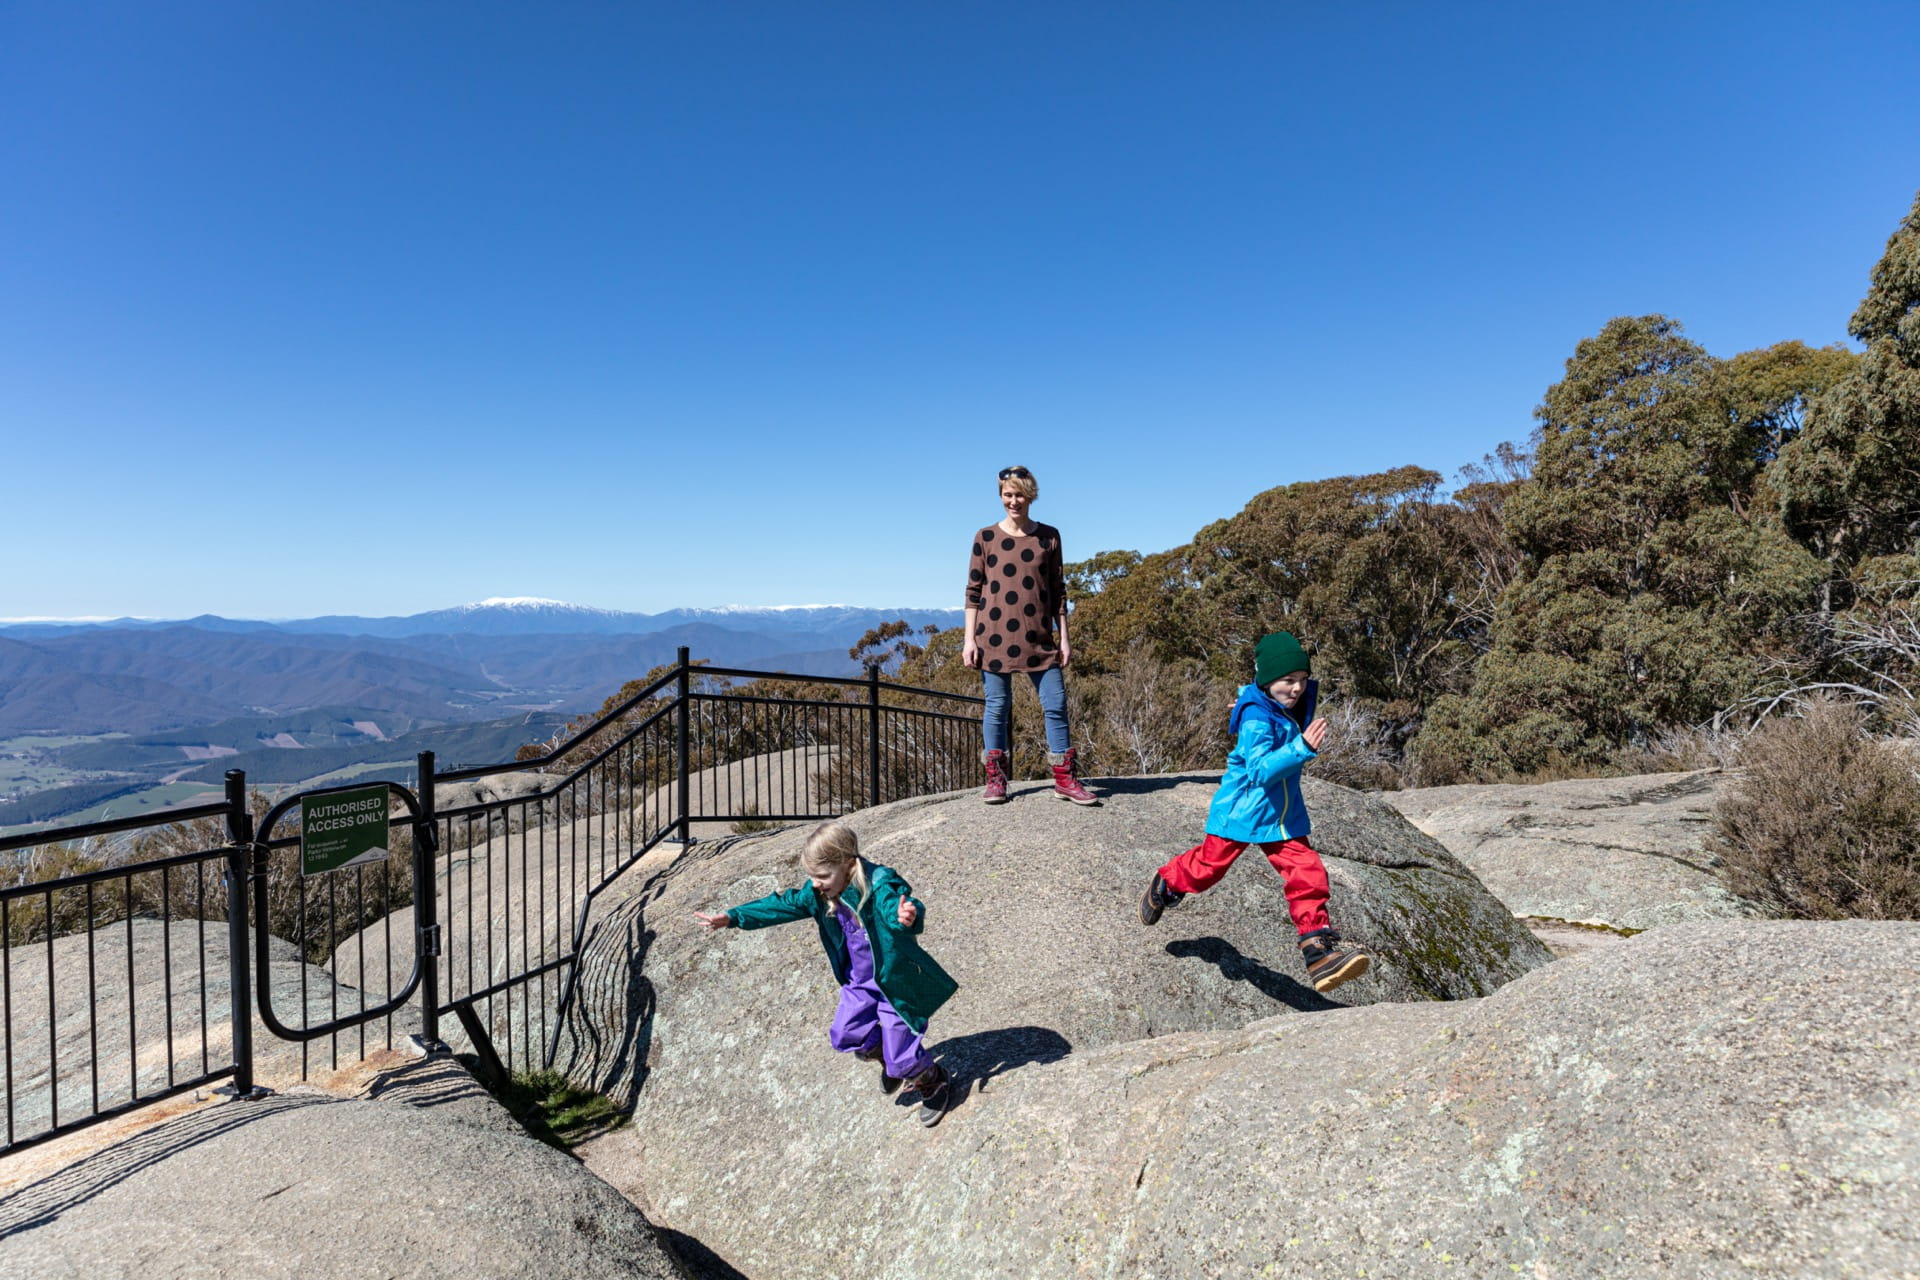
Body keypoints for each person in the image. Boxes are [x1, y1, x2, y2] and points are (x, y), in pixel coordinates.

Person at [1137, 631, 1373, 994]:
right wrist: (1302, 746)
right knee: (1206, 870)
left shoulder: (1275, 701)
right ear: (1268, 681)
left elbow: (1267, 694)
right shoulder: (1256, 720)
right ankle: (1168, 882)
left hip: (1281, 817)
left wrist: (1251, 696)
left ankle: (1317, 949)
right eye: (1288, 681)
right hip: (1243, 812)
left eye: (1302, 680)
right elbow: (1260, 770)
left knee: (1308, 872)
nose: (1296, 689)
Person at [692, 820, 960, 1126]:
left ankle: (932, 1079)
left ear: (848, 865)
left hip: (894, 986)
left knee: (902, 1058)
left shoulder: (880, 884)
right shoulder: (821, 895)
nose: (816, 883)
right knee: (847, 1033)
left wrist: (907, 916)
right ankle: (893, 1059)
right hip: (860, 983)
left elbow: (896, 908)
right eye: (812, 876)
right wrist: (733, 917)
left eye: (822, 876)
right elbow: (783, 904)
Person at [962, 465, 1097, 806]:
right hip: (993, 637)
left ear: (1030, 495)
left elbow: (1057, 590)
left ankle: (1065, 780)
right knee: (997, 707)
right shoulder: (985, 537)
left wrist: (1064, 637)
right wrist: (969, 640)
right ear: (1000, 496)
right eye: (1008, 494)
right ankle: (996, 780)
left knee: (1056, 705)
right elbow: (973, 592)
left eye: (1019, 494)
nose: (1013, 501)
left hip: (1041, 638)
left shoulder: (1049, 536)